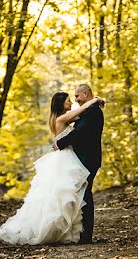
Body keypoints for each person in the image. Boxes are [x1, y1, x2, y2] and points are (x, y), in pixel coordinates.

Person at [0, 89, 105, 245]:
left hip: (68, 156)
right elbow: (80, 116)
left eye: (73, 99)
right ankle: (59, 229)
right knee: (64, 193)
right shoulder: (62, 118)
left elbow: (79, 124)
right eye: (68, 101)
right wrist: (94, 100)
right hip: (65, 158)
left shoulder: (62, 118)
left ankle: (72, 231)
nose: (72, 102)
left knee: (65, 193)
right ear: (61, 104)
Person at [52, 84, 104, 244]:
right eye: (71, 98)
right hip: (81, 158)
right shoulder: (84, 112)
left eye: (77, 96)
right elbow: (76, 130)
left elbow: (79, 132)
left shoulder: (93, 111)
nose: (75, 100)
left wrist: (60, 143)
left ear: (86, 94)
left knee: (85, 194)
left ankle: (85, 235)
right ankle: (79, 233)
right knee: (79, 194)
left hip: (89, 158)